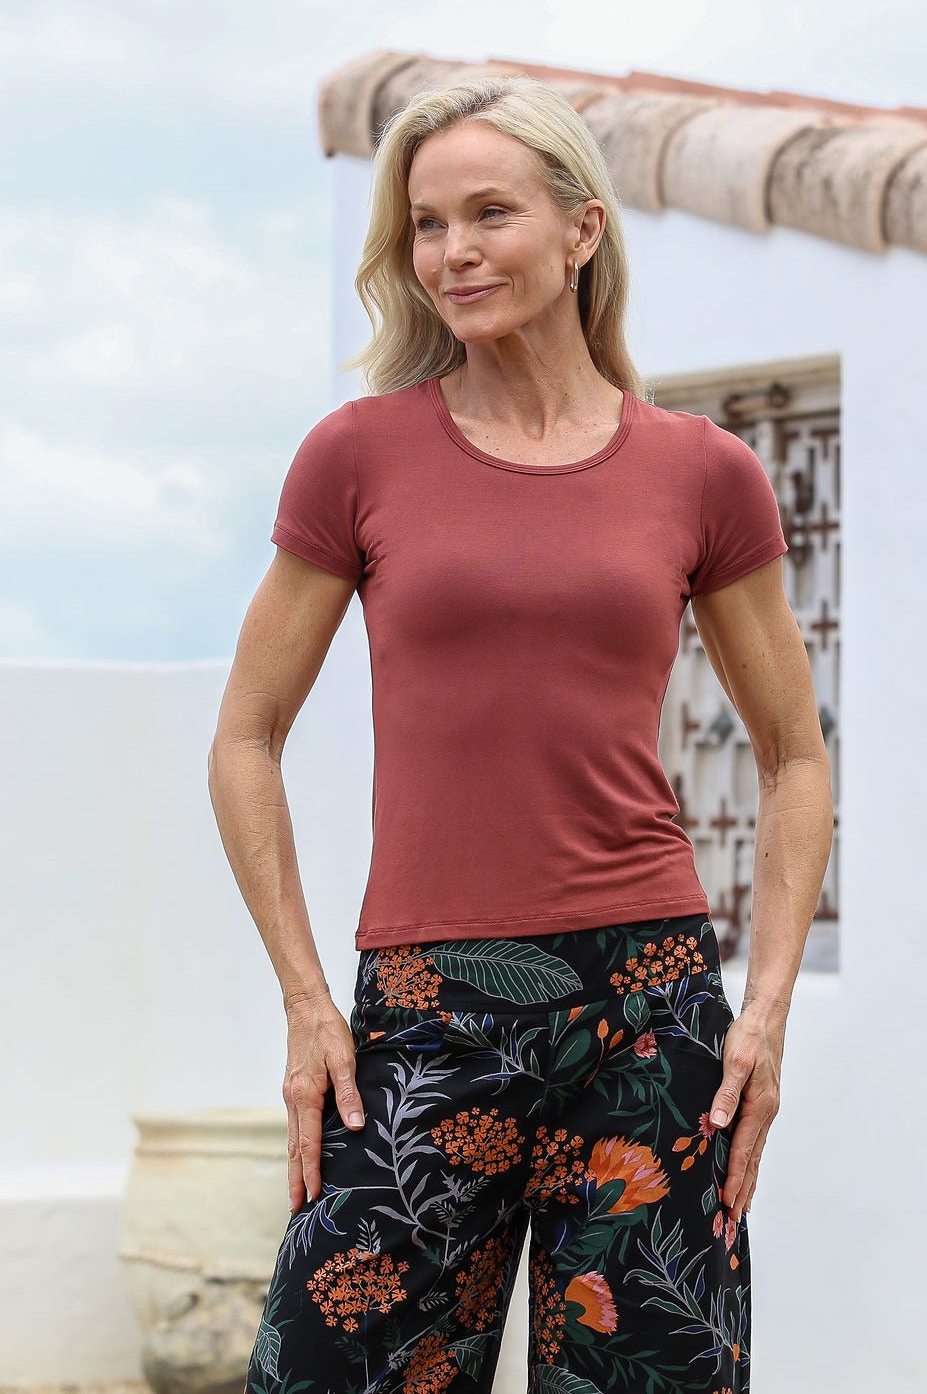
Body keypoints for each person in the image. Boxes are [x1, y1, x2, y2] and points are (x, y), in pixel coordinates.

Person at [208, 73, 833, 1394]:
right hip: (422, 1013)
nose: (453, 252)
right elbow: (247, 735)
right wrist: (307, 1003)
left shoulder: (701, 472)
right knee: (339, 1368)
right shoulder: (360, 456)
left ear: (582, 231)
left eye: (489, 213)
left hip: (648, 1004)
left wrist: (763, 1013)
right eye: (426, 227)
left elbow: (790, 755)